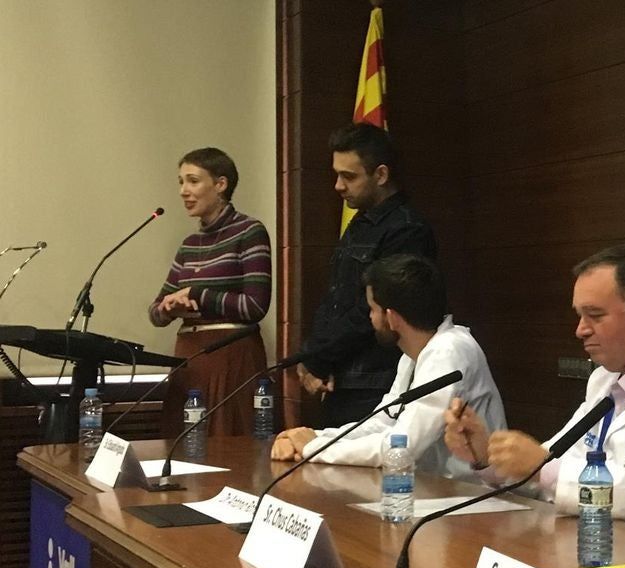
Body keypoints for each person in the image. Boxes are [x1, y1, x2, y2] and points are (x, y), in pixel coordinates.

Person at [442, 244, 625, 522]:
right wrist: (486, 456)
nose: (580, 330)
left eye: (595, 315)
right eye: (579, 315)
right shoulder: (604, 377)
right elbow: (548, 467)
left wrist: (542, 468)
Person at [272, 253, 504, 478]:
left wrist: (313, 448)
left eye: (372, 309)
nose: (371, 318)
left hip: (476, 500)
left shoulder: (449, 351)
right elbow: (382, 423)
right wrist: (314, 437)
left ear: (391, 317)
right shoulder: (414, 355)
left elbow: (402, 447)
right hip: (436, 494)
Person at [299, 123, 437, 426]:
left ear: (381, 174)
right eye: (336, 174)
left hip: (376, 379)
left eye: (349, 176)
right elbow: (336, 296)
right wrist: (312, 358)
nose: (337, 185)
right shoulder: (361, 222)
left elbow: (374, 308)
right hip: (343, 375)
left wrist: (319, 358)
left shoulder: (406, 228)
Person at [148, 148, 270, 437]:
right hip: (188, 360)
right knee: (183, 451)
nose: (183, 191)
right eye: (181, 182)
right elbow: (155, 310)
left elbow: (255, 305)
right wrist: (169, 309)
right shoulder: (189, 244)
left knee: (225, 449)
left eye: (192, 181)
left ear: (220, 184)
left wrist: (198, 294)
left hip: (230, 356)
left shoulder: (249, 231)